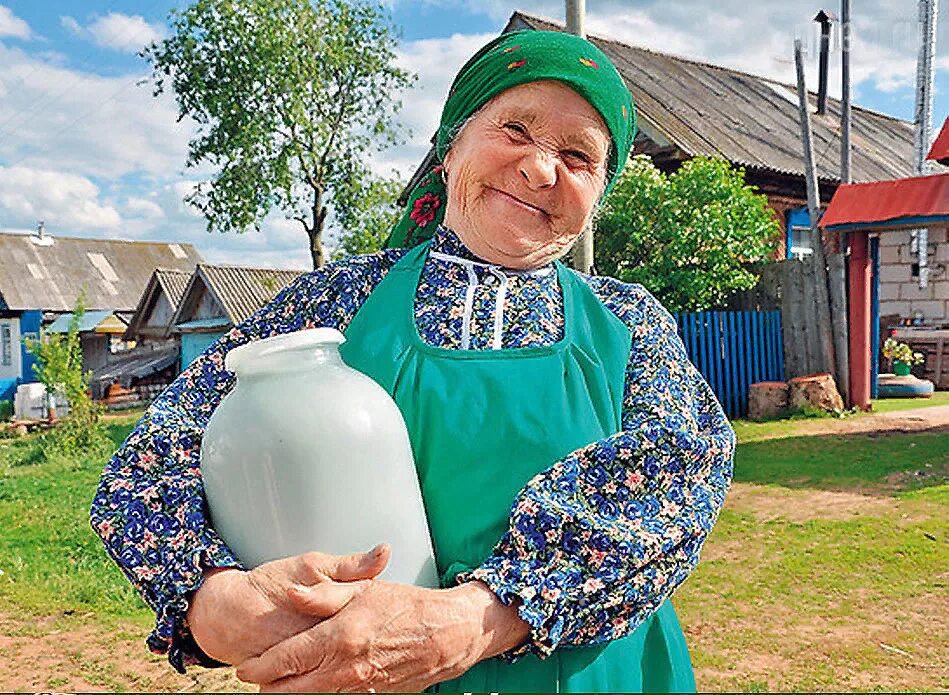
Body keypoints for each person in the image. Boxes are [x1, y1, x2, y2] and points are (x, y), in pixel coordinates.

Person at [91, 29, 735, 693]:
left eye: (578, 157)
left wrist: (477, 618)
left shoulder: (627, 322)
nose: (541, 170)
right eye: (515, 129)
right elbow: (146, 470)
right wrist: (213, 602)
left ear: (598, 191)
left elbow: (678, 482)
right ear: (451, 146)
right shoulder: (337, 300)